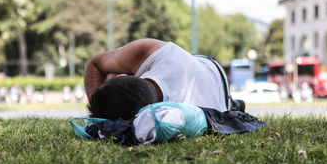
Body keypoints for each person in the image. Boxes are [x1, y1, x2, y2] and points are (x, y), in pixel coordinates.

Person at [85, 38, 241, 120]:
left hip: (212, 73)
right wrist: (96, 111)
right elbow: (93, 64)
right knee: (113, 77)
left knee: (114, 77)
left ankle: (236, 105)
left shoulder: (177, 115)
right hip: (195, 72)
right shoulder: (147, 52)